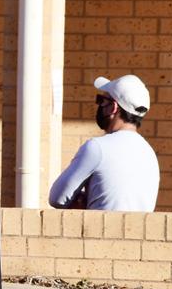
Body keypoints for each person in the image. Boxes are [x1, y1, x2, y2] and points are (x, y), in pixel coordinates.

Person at [49, 74, 159, 212]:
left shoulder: (97, 147)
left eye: (101, 101)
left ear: (113, 107)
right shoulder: (149, 153)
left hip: (100, 232)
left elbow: (57, 198)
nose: (99, 105)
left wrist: (83, 199)